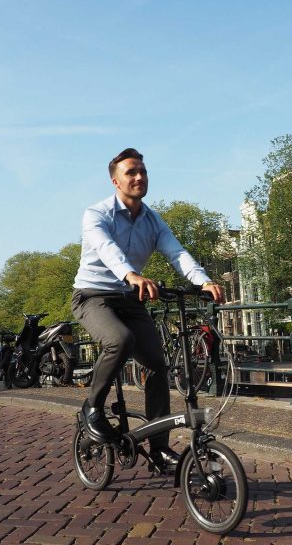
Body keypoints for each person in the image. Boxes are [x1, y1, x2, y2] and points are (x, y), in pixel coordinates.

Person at [72, 148, 225, 471]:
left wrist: (204, 282)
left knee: (158, 365)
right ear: (115, 180)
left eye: (143, 171)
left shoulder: (153, 221)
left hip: (130, 298)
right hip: (93, 296)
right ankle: (92, 408)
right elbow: (108, 249)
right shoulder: (96, 214)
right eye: (131, 172)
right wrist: (131, 274)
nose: (139, 177)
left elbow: (177, 253)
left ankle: (159, 450)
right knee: (119, 340)